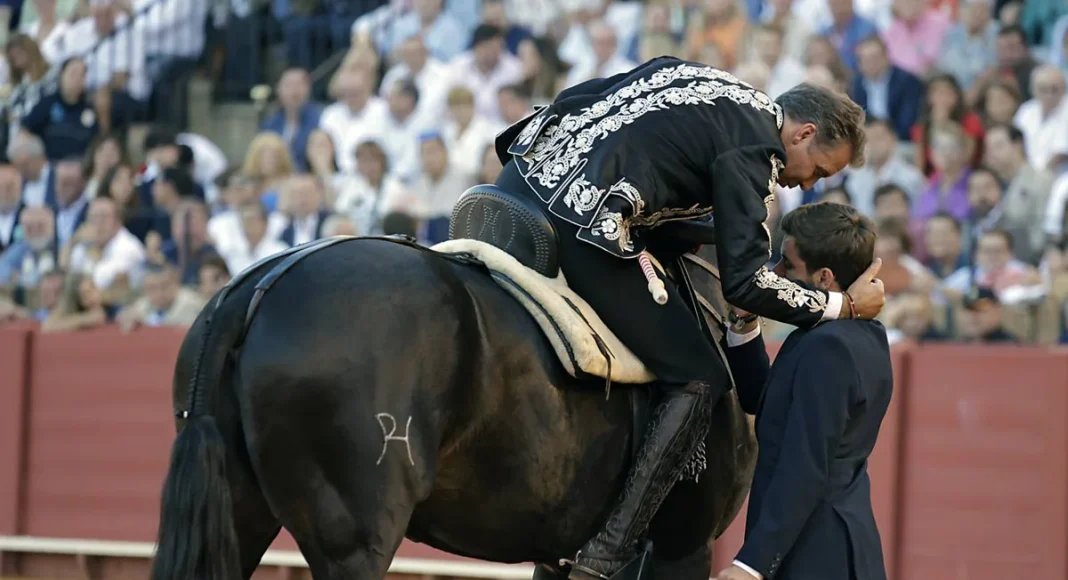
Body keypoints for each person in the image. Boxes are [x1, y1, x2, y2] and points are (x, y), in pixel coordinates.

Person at [492, 56, 886, 580]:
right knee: (699, 375)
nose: (807, 183)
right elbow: (743, 282)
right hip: (583, 223)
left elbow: (578, 99)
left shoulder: (704, 78)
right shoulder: (756, 152)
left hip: (519, 181)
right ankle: (611, 546)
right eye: (817, 169)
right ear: (803, 133)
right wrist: (842, 306)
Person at [715, 202, 892, 580]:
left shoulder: (827, 346)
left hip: (817, 555)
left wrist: (752, 565)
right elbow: (768, 403)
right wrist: (744, 322)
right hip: (829, 544)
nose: (775, 275)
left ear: (825, 278)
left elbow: (806, 465)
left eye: (788, 266)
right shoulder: (855, 335)